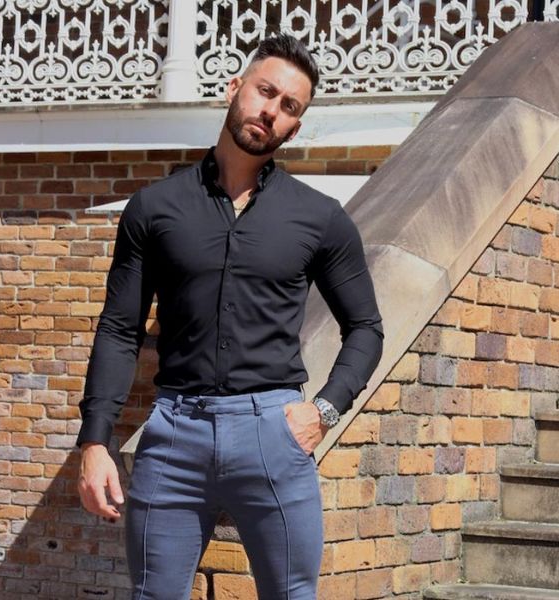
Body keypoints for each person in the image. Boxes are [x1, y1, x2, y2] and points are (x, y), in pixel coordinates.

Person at [76, 34, 383, 600]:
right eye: (265, 91)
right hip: (174, 435)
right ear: (234, 88)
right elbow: (119, 329)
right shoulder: (154, 208)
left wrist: (323, 411)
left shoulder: (320, 218)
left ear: (294, 128)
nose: (271, 110)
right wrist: (95, 441)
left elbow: (366, 328)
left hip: (273, 434)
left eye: (289, 106)